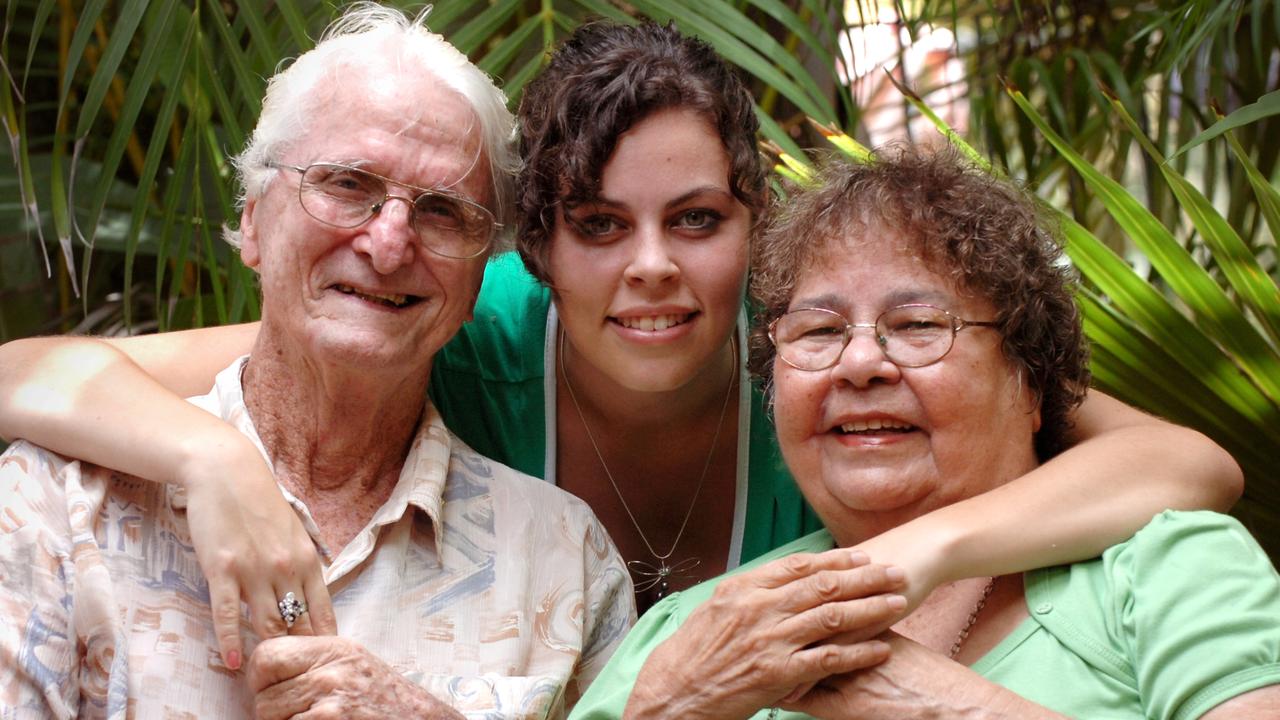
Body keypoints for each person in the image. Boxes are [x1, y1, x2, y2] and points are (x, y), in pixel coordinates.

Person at [0, 18, 1242, 661]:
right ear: (527, 248)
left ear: (755, 232)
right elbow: (31, 372)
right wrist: (213, 464)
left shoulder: (817, 363)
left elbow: (1185, 466)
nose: (650, 268)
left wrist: (911, 554)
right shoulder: (459, 317)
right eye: (598, 224)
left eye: (694, 220)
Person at [0, 5, 633, 718]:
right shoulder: (53, 505)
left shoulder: (564, 564)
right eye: (347, 185)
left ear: (481, 277)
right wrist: (214, 458)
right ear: (252, 218)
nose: (389, 246)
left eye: (441, 211)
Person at [570, 146, 1280, 719]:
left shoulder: (1164, 568)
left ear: (1032, 383)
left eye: (917, 326)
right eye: (817, 331)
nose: (858, 363)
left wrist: (943, 707)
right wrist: (675, 705)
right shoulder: (699, 630)